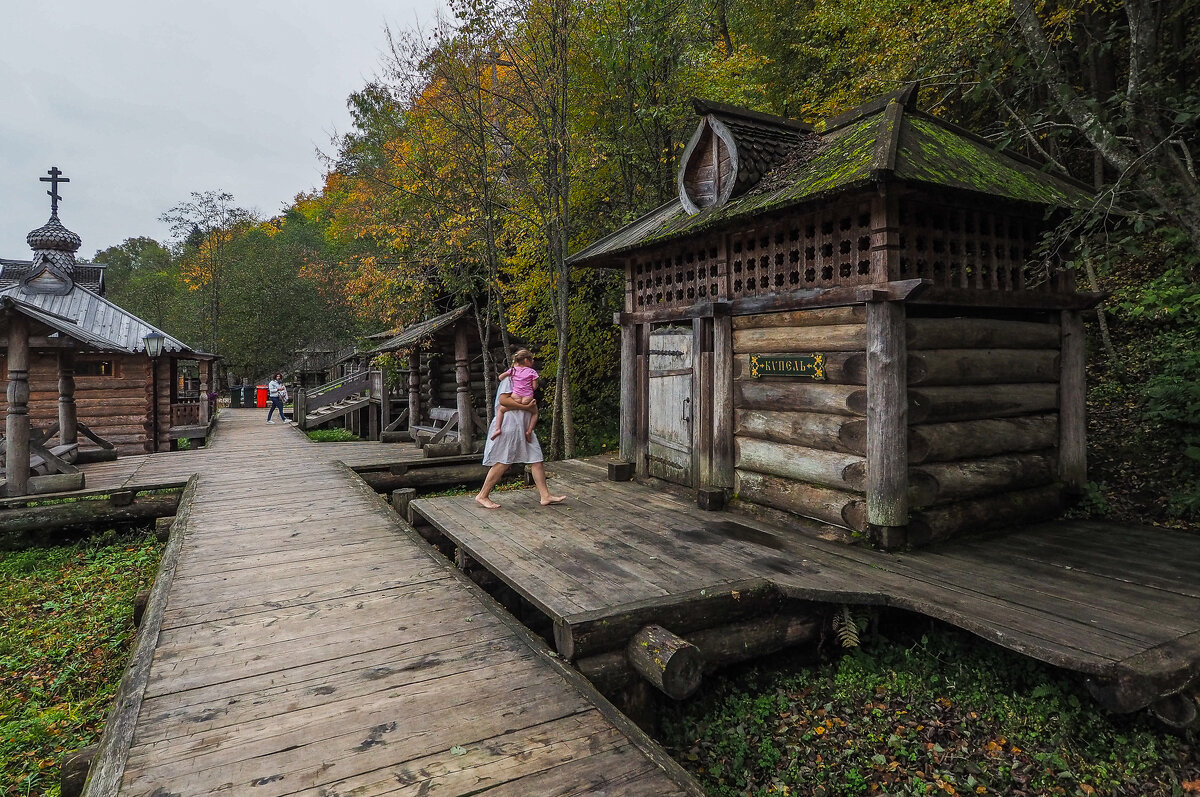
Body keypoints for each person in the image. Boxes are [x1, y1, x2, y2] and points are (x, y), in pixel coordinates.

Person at [475, 374, 565, 510]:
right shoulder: (509, 379)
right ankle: (482, 495)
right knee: (504, 461)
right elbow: (503, 402)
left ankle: (545, 495)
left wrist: (530, 411)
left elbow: (532, 402)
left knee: (536, 458)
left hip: (525, 425)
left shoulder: (528, 381)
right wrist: (525, 407)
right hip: (509, 424)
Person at [491, 349, 538, 442]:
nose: (533, 361)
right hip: (527, 398)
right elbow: (534, 387)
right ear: (525, 360)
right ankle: (529, 431)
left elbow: (500, 377)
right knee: (535, 413)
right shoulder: (532, 372)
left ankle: (497, 428)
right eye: (531, 359)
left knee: (501, 410)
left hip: (515, 397)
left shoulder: (513, 370)